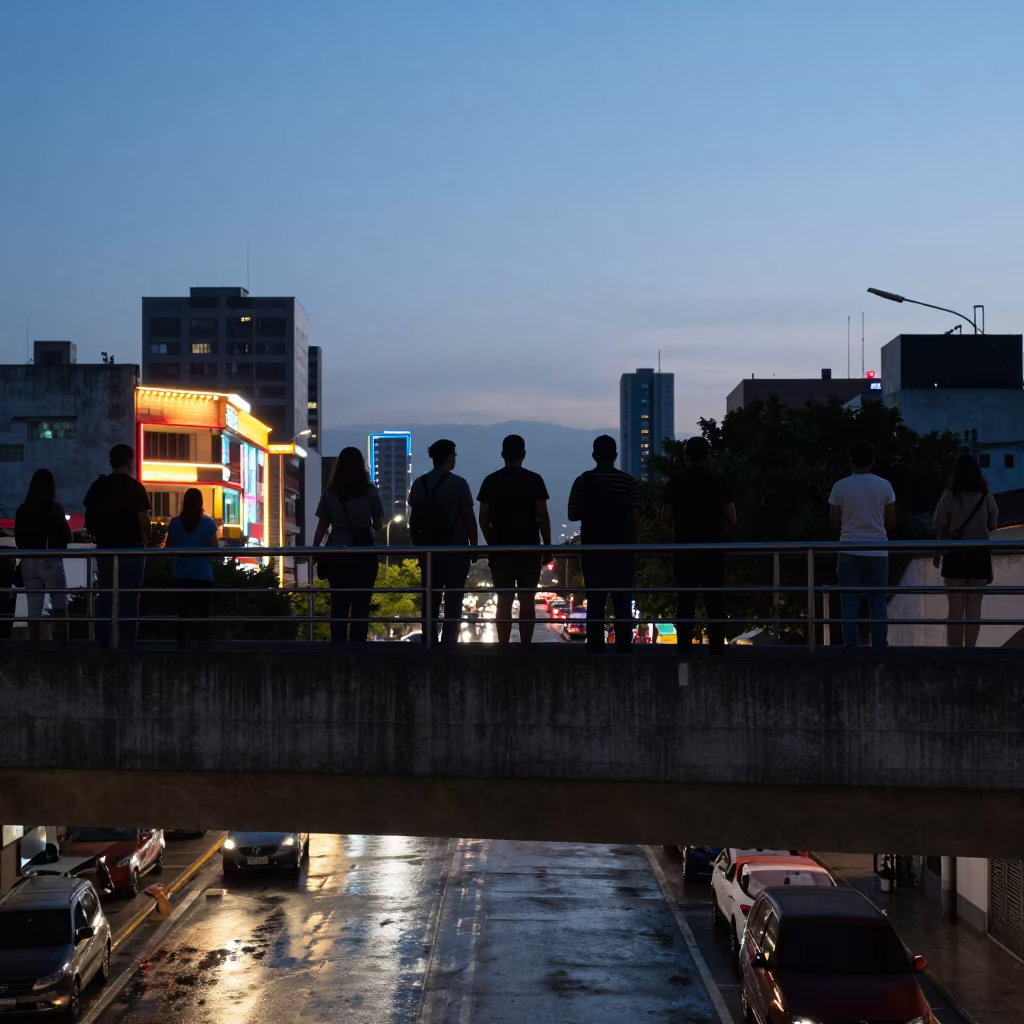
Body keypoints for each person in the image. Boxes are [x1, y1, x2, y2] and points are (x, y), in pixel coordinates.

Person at [661, 436, 736, 654]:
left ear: (685, 457)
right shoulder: (719, 481)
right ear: (708, 456)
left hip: (684, 551)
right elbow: (732, 518)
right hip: (713, 550)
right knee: (714, 601)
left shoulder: (675, 482)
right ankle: (716, 650)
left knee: (685, 601)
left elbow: (665, 518)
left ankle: (684, 649)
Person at [568, 435, 642, 652]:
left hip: (593, 550)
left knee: (595, 601)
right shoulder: (628, 482)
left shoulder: (583, 481)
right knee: (622, 602)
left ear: (594, 455)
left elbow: (572, 514)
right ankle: (623, 650)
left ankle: (595, 649)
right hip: (622, 550)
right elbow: (636, 517)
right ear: (616, 455)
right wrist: (637, 548)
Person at [477, 434, 552, 645]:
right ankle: (525, 646)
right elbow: (543, 516)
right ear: (524, 454)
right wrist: (547, 547)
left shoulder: (490, 481)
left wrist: (492, 541)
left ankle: (503, 646)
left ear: (502, 455)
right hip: (529, 549)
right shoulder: (534, 480)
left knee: (504, 600)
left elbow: (483, 518)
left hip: (501, 550)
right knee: (527, 599)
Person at [409, 439, 478, 645]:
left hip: (428, 551)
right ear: (449, 457)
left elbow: (413, 521)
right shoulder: (459, 484)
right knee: (454, 598)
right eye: (454, 455)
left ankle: (429, 639)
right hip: (456, 550)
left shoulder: (418, 484)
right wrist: (474, 547)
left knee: (430, 596)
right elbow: (468, 517)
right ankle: (449, 643)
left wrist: (418, 547)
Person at [83, 444, 152, 649]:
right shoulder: (136, 487)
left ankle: (103, 641)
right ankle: (127, 643)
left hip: (105, 548)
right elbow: (144, 523)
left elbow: (88, 519)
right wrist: (146, 537)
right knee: (130, 598)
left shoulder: (99, 486)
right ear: (130, 462)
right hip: (132, 550)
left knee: (105, 595)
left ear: (111, 462)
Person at [828, 440, 895, 649]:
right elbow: (891, 522)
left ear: (851, 461)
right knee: (877, 600)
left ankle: (851, 647)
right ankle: (879, 646)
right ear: (872, 461)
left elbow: (834, 522)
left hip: (848, 549)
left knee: (849, 601)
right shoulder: (885, 485)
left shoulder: (840, 486)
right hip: (878, 550)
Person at [313, 447, 384, 643]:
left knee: (339, 604)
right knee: (361, 605)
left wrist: (314, 549)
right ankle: (357, 648)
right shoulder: (370, 492)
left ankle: (338, 648)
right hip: (365, 554)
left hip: (337, 554)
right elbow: (378, 525)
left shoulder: (330, 492)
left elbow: (322, 524)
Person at [933, 454, 999, 649]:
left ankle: (954, 655)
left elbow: (941, 528)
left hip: (954, 556)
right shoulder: (986, 495)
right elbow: (992, 524)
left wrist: (938, 552)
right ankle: (971, 653)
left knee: (955, 610)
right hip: (980, 556)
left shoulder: (948, 495)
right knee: (974, 609)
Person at [15, 469, 72, 646]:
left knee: (34, 609)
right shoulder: (55, 509)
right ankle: (62, 646)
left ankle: (35, 646)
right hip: (51, 560)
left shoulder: (23, 509)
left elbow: (19, 540)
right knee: (59, 606)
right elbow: (66, 537)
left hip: (29, 561)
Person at [164, 487, 219, 647]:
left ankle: (181, 646)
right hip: (203, 576)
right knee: (202, 615)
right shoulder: (208, 523)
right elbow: (214, 550)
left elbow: (169, 549)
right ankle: (202, 647)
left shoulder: (175, 523)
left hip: (181, 575)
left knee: (183, 613)